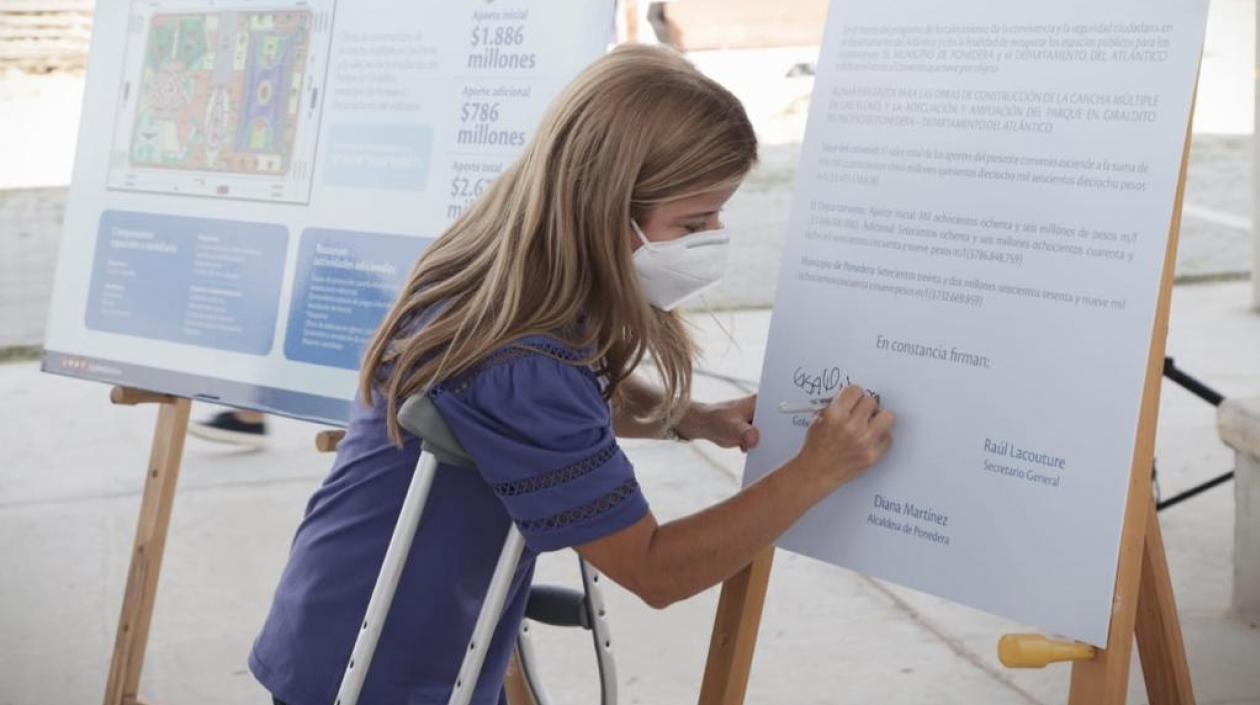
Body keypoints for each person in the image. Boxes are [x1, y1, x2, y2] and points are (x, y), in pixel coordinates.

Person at [249, 45, 894, 705]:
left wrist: (692, 417)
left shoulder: (503, 270)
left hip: (358, 627)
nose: (713, 235)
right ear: (605, 207)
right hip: (378, 671)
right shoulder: (521, 363)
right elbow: (654, 567)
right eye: (694, 221)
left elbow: (564, 405)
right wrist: (815, 471)